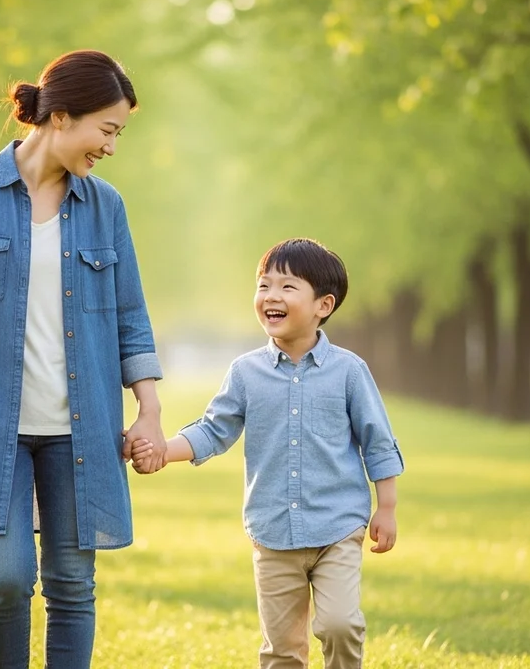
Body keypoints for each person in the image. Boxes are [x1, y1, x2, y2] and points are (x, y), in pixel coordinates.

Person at [0, 49, 167, 669]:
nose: (111, 147)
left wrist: (148, 409)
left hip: (83, 427)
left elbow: (132, 317)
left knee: (73, 584)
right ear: (62, 116)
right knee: (11, 576)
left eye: (119, 134)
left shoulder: (106, 207)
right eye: (107, 130)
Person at [131, 238, 404, 669]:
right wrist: (164, 450)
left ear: (323, 305)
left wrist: (386, 507)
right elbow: (213, 430)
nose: (271, 296)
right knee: (282, 650)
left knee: (339, 624)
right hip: (274, 532)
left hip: (338, 526)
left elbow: (378, 441)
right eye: (263, 285)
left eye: (288, 286)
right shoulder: (246, 373)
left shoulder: (349, 371)